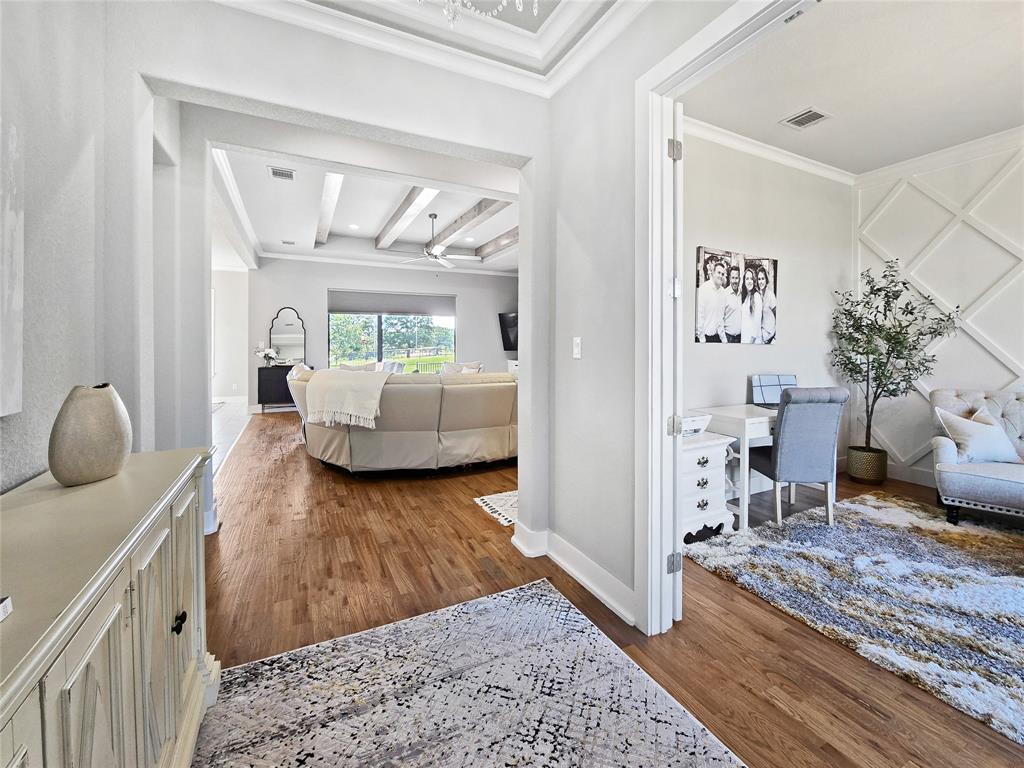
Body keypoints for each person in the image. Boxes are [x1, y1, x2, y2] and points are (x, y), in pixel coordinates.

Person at [696, 258, 726, 342]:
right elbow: (700, 316)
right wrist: (702, 339)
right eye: (718, 273)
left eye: (722, 274)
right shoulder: (704, 289)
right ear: (713, 273)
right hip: (705, 338)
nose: (720, 276)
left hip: (718, 338)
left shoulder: (723, 292)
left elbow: (720, 318)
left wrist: (724, 340)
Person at [740, 266, 763, 344]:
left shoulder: (757, 297)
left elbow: (757, 323)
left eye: (751, 279)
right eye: (747, 279)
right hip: (744, 339)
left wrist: (751, 343)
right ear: (744, 281)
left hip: (753, 341)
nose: (749, 281)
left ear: (754, 281)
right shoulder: (745, 297)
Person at [722, 265, 742, 343]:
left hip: (741, 338)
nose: (734, 281)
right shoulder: (724, 294)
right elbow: (720, 319)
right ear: (730, 279)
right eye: (733, 278)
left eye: (736, 278)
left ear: (739, 279)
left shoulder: (743, 294)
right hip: (728, 338)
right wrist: (724, 339)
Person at [757, 265, 777, 344]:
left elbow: (778, 316)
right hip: (762, 338)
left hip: (771, 338)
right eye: (759, 279)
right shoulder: (758, 295)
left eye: (762, 279)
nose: (761, 282)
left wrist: (775, 337)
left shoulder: (770, 295)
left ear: (766, 280)